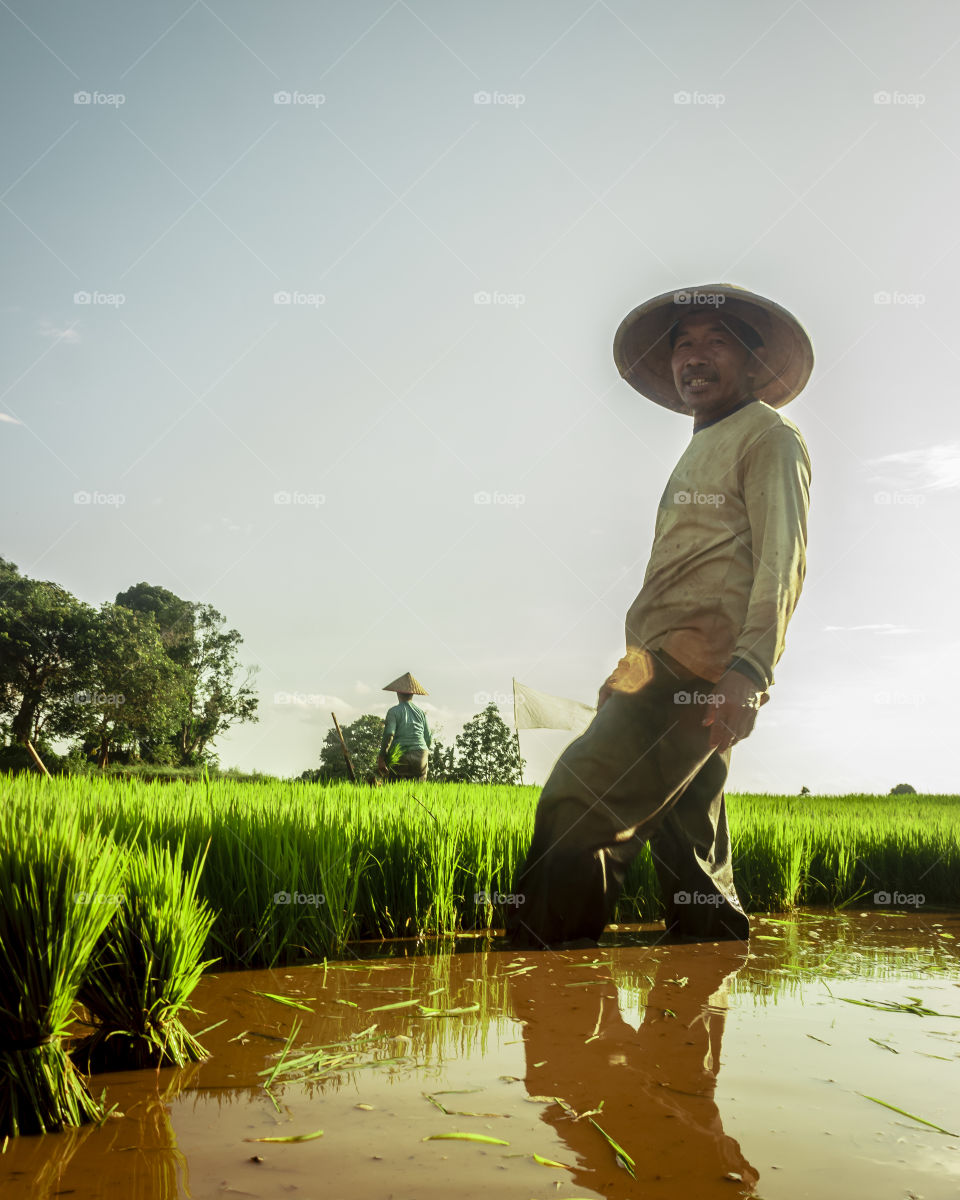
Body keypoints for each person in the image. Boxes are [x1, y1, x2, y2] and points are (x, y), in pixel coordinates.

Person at [505, 284, 813, 950]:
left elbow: (781, 560)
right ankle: (706, 992)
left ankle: (546, 989)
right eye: (684, 343)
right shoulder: (705, 444)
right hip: (663, 668)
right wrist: (631, 668)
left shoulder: (769, 435)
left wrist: (749, 669)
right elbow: (685, 573)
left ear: (755, 365)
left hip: (696, 670)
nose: (694, 357)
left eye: (715, 341)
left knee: (577, 805)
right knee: (691, 849)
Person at [377, 672, 432, 781]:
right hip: (421, 755)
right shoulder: (421, 713)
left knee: (395, 790)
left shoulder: (393, 711)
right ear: (413, 694)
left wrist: (381, 757)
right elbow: (428, 738)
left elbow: (389, 733)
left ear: (398, 693)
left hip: (400, 755)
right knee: (419, 791)